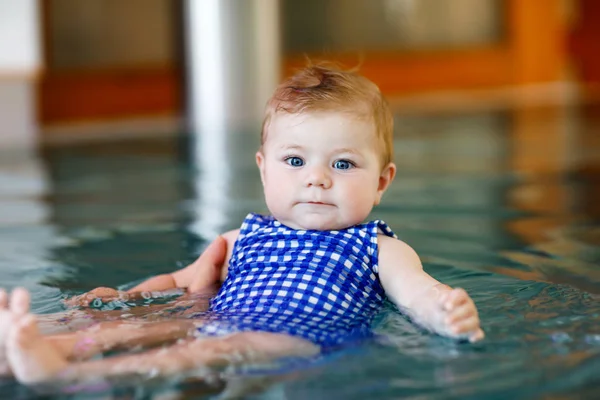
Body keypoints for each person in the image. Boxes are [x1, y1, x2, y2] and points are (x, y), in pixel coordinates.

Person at [0, 64, 484, 386]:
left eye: (342, 165)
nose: (316, 179)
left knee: (195, 353)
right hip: (215, 319)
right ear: (263, 168)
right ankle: (36, 336)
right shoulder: (243, 237)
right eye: (294, 160)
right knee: (134, 327)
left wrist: (444, 311)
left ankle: (61, 375)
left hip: (302, 339)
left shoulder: (377, 247)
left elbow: (417, 293)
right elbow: (181, 284)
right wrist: (120, 301)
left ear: (381, 182)